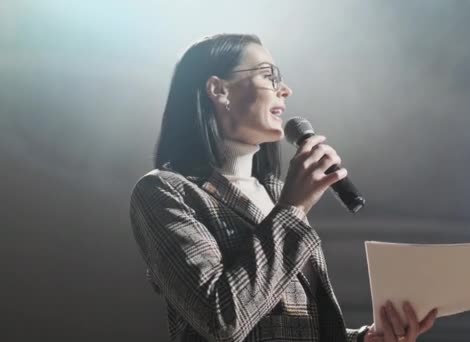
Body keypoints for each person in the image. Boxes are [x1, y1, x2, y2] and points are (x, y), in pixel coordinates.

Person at [129, 33, 437, 342]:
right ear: (218, 90)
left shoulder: (274, 193)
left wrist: (363, 339)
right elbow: (221, 319)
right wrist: (293, 210)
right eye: (268, 75)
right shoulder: (166, 192)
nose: (285, 90)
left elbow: (288, 325)